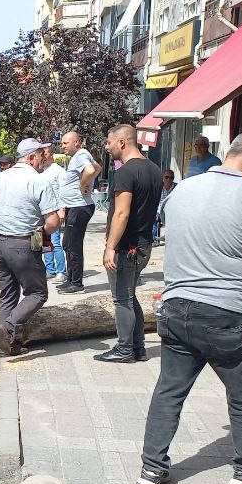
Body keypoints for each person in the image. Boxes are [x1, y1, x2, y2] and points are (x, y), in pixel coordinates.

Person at [138, 131, 242, 484]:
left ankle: (151, 468)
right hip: (231, 313)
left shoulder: (183, 189)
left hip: (176, 307)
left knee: (169, 390)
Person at [0, 138, 61, 356]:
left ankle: (6, 346)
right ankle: (7, 327)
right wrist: (39, 236)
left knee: (9, 292)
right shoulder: (39, 181)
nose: (44, 158)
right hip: (23, 243)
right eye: (41, 154)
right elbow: (53, 222)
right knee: (37, 293)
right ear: (31, 157)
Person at [96, 124, 163, 363]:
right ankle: (138, 347)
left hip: (128, 247)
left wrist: (110, 247)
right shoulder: (154, 169)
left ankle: (125, 349)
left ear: (122, 142)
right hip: (144, 242)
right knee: (129, 296)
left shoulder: (126, 172)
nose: (107, 147)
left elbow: (121, 214)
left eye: (108, 142)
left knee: (122, 299)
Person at [57, 131, 100, 294]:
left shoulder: (81, 154)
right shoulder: (79, 156)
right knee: (67, 244)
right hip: (73, 206)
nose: (62, 146)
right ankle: (71, 278)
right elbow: (97, 168)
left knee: (73, 245)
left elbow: (90, 170)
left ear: (76, 142)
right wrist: (87, 182)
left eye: (65, 143)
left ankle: (76, 283)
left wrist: (84, 185)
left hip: (79, 206)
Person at [37, 144, 68, 283]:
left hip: (54, 211)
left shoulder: (59, 171)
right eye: (42, 153)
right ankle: (50, 269)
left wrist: (62, 210)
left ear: (52, 154)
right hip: (41, 211)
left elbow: (63, 191)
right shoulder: (40, 170)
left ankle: (62, 271)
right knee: (44, 242)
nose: (44, 156)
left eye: (46, 153)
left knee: (55, 242)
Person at [154, 170, 176, 244]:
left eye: (171, 178)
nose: (169, 179)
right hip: (159, 210)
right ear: (163, 178)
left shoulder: (177, 188)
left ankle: (169, 236)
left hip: (171, 211)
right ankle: (154, 240)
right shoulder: (158, 187)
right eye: (166, 177)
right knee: (152, 216)